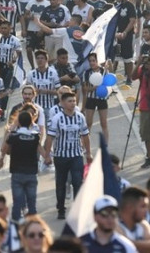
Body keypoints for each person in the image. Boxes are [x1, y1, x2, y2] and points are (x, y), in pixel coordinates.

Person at [44, 91, 91, 220]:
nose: (73, 103)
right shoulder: (57, 118)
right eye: (70, 101)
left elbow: (85, 135)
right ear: (63, 103)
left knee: (78, 182)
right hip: (61, 156)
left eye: (74, 101)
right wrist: (47, 155)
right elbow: (50, 138)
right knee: (61, 183)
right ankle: (61, 208)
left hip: (76, 155)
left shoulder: (80, 117)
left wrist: (88, 153)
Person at [0, 110, 44, 221]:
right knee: (32, 199)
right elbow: (42, 151)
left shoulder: (13, 136)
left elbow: (5, 149)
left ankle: (16, 221)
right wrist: (47, 158)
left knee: (17, 199)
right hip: (31, 172)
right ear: (30, 123)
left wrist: (1, 159)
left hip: (17, 171)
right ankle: (33, 220)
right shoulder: (35, 137)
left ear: (18, 122)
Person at [118, 187, 150, 253]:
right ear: (129, 207)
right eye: (143, 206)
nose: (146, 210)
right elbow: (122, 247)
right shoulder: (115, 225)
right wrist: (146, 246)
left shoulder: (143, 224)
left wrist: (129, 242)